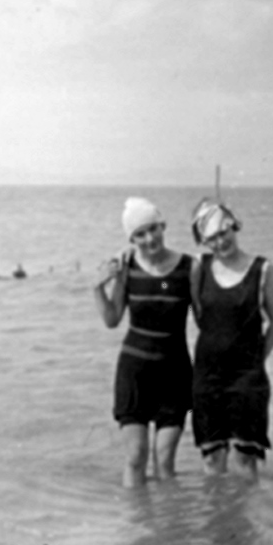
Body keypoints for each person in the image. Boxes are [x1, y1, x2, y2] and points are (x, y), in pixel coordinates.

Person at [94, 198, 195, 487]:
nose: (149, 238)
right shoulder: (127, 268)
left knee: (165, 461)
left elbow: (206, 316)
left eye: (153, 229)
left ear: (163, 226)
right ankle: (137, 527)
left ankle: (168, 529)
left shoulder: (189, 267)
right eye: (140, 234)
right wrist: (97, 287)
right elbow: (112, 319)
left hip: (174, 373)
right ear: (132, 238)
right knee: (136, 457)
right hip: (134, 373)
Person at [189, 198, 273, 480]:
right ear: (204, 242)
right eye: (212, 239)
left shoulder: (262, 269)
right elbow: (199, 314)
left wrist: (257, 360)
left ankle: (243, 526)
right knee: (212, 461)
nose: (220, 242)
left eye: (224, 233)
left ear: (234, 226)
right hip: (207, 377)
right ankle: (215, 523)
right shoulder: (199, 268)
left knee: (245, 462)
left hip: (247, 377)